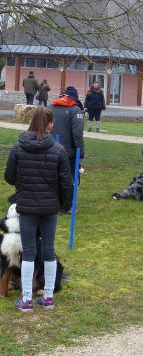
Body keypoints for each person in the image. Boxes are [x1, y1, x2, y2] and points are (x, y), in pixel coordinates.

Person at [4, 106, 73, 312]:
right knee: (49, 250)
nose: (52, 125)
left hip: (26, 206)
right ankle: (48, 296)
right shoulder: (58, 150)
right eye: (51, 122)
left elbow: (9, 176)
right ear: (47, 124)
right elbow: (66, 183)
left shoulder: (18, 148)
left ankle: (26, 299)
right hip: (50, 207)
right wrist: (64, 205)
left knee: (29, 251)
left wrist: (23, 183)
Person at [49, 86, 85, 181]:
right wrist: (80, 152)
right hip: (68, 153)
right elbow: (77, 133)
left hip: (49, 149)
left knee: (52, 179)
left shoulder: (50, 107)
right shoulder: (75, 109)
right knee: (68, 180)